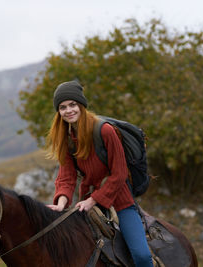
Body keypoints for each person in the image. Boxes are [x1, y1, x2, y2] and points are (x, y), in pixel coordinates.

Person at [46, 81, 153, 267]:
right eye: (62, 107)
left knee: (142, 256)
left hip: (119, 201)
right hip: (86, 203)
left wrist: (93, 200)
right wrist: (61, 203)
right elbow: (66, 176)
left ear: (81, 105)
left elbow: (119, 174)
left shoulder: (104, 130)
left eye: (73, 105)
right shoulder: (66, 138)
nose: (68, 110)